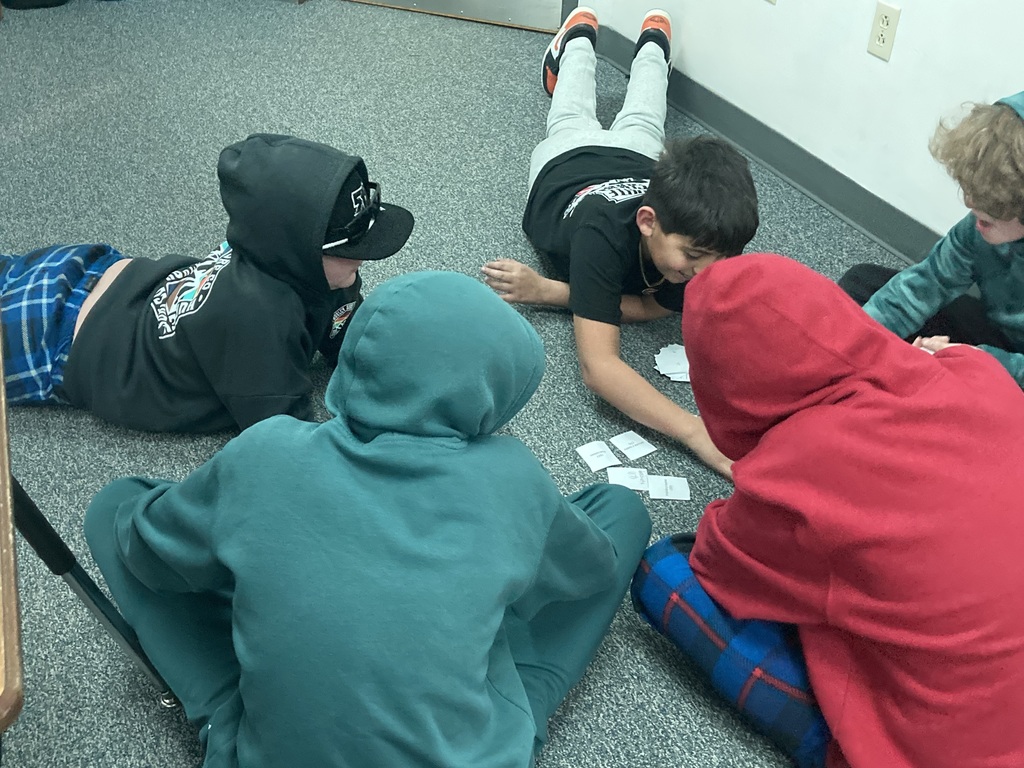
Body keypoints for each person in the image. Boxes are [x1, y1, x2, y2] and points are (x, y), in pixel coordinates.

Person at [83, 270, 653, 768]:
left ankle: (220, 714)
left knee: (117, 506)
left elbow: (140, 542)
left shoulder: (266, 451)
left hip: (267, 757)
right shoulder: (514, 478)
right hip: (472, 756)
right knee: (621, 512)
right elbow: (588, 570)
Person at [632, 254, 1024, 767]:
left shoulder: (801, 462)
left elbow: (714, 562)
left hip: (953, 747)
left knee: (661, 569)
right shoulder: (976, 368)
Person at [481, 7, 759, 479]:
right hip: (565, 163)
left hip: (638, 162)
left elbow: (658, 309)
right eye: (693, 257)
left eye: (718, 260)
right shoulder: (601, 234)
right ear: (649, 222)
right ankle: (579, 37)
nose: (705, 274)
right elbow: (600, 368)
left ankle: (653, 43)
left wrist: (553, 292)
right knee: (569, 113)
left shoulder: (697, 242)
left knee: (646, 121)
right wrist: (694, 431)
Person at [1, 133, 414, 433]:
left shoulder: (322, 271)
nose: (361, 258)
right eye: (346, 248)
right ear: (295, 250)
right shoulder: (257, 317)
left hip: (103, 273)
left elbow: (349, 337)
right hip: (55, 338)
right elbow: (282, 440)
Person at [839, 91, 1024, 388]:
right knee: (863, 287)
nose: (969, 202)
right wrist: (849, 349)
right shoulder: (976, 228)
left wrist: (980, 361)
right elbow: (928, 282)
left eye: (992, 206)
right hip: (996, 336)